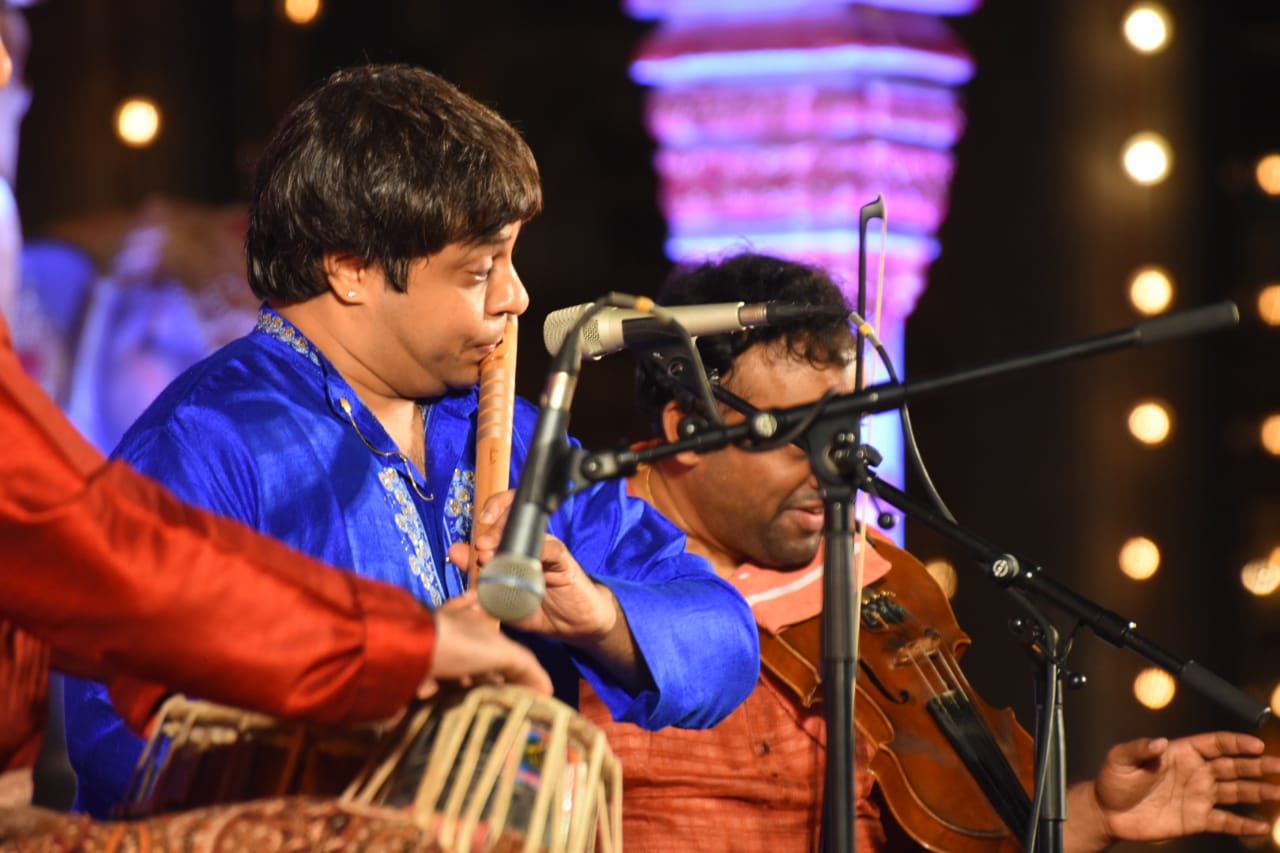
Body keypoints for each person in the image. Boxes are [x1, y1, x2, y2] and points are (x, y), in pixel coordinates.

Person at [63, 63, 759, 817]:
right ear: (351, 266)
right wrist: (384, 683)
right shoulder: (205, 443)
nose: (516, 296)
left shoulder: (521, 437)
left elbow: (724, 634)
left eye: (512, 258)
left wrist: (597, 615)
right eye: (479, 269)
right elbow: (115, 725)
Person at [579, 251, 1280, 852]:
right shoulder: (572, 566)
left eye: (849, 430)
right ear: (688, 430)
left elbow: (950, 821)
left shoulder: (874, 574)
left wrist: (1089, 815)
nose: (837, 466)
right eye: (801, 433)